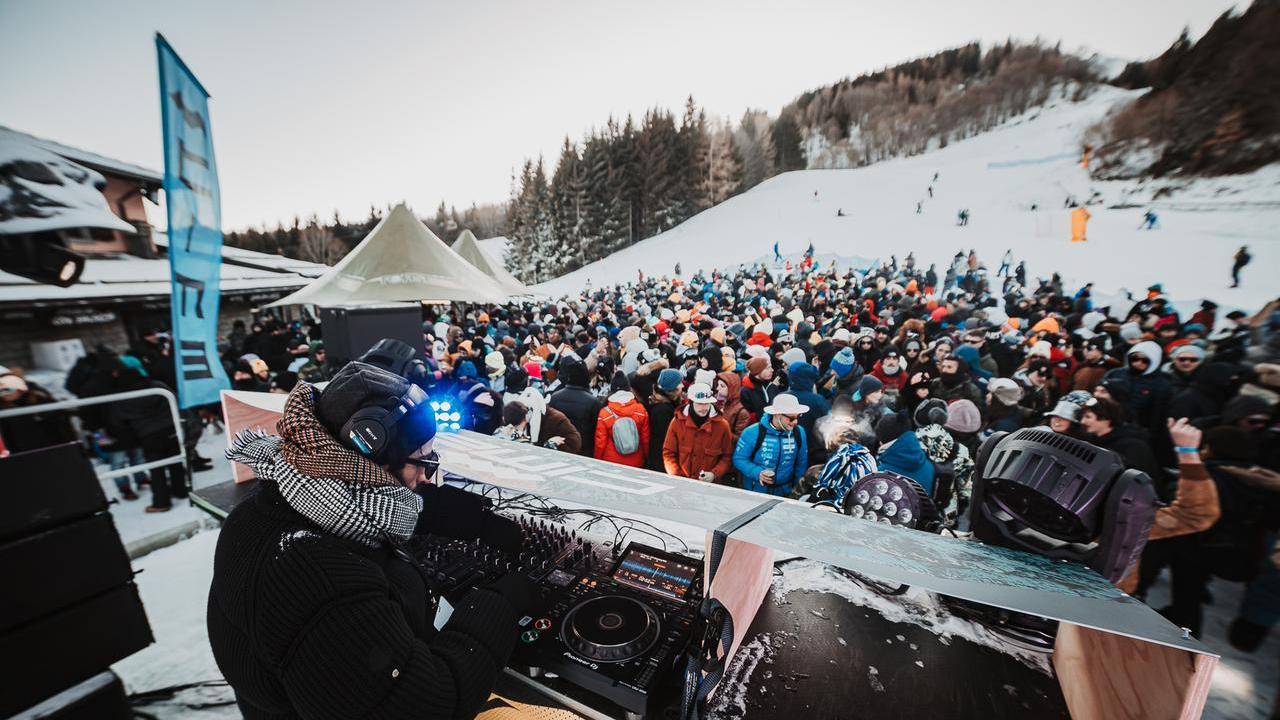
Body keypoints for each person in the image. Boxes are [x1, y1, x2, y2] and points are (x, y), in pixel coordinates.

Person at [210, 361, 539, 719]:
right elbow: (427, 705)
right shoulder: (321, 578)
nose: (429, 476)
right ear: (372, 457)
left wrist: (478, 521)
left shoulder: (286, 492)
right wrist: (499, 604)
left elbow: (379, 498)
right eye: (424, 461)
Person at [733, 394, 810, 496]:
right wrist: (757, 473)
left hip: (785, 493)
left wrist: (797, 489)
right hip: (754, 492)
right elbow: (739, 459)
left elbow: (801, 463)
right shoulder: (752, 432)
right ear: (777, 415)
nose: (795, 422)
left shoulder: (799, 432)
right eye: (791, 418)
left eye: (798, 416)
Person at [663, 383, 734, 483]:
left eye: (707, 403)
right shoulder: (677, 422)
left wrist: (714, 474)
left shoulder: (722, 426)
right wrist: (676, 476)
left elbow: (727, 456)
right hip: (680, 482)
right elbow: (668, 453)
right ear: (691, 402)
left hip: (709, 486)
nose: (704, 407)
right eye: (700, 403)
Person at [547, 355, 602, 458]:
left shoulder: (555, 397)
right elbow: (597, 431)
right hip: (584, 452)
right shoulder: (593, 402)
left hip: (560, 449)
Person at [594, 372, 650, 467]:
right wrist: (645, 457)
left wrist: (597, 460)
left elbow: (600, 442)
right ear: (628, 389)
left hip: (610, 461)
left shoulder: (605, 413)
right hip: (636, 460)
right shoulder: (641, 410)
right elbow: (645, 439)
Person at [646, 368, 684, 472]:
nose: (683, 385)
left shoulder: (664, 403)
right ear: (672, 389)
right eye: (679, 383)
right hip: (661, 462)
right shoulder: (663, 411)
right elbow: (669, 438)